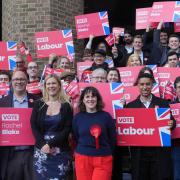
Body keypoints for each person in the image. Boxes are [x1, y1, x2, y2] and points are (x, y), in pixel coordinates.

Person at [126, 73, 175, 180]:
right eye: (142, 84)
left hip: (158, 152)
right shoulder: (130, 106)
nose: (145, 87)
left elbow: (172, 122)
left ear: (152, 85)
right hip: (139, 153)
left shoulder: (162, 103)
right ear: (137, 86)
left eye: (148, 84)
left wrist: (171, 123)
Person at [31, 74, 73, 180]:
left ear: (59, 85)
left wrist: (50, 144)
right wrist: (43, 145)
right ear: (45, 86)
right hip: (41, 151)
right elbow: (33, 125)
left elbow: (67, 129)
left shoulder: (66, 106)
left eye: (54, 83)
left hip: (60, 152)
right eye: (48, 83)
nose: (51, 86)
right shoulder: (38, 104)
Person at [0, 70, 38, 180]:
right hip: (10, 155)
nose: (19, 82)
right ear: (11, 82)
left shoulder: (37, 101)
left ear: (27, 82)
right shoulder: (2, 103)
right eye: (16, 79)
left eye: (22, 79)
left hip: (32, 154)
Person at [73, 86, 116, 180]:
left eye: (93, 96)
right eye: (87, 97)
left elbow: (112, 138)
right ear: (83, 100)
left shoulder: (106, 116)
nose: (90, 99)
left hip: (103, 158)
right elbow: (76, 137)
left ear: (97, 99)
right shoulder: (77, 117)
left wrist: (104, 151)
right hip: (82, 158)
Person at [171, 76, 180, 180]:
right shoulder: (171, 105)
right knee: (177, 175)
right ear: (175, 89)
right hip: (176, 145)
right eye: (179, 87)